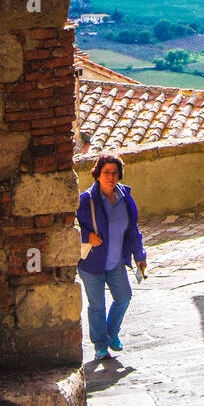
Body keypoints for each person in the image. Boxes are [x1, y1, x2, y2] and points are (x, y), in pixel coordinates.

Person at [76, 153, 147, 361]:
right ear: (98, 174)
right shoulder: (85, 200)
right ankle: (100, 346)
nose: (111, 176)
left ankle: (111, 334)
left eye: (115, 173)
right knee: (97, 305)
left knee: (124, 297)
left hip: (116, 261)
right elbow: (70, 226)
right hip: (91, 264)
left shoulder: (125, 198)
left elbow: (133, 229)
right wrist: (86, 235)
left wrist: (139, 256)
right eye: (106, 172)